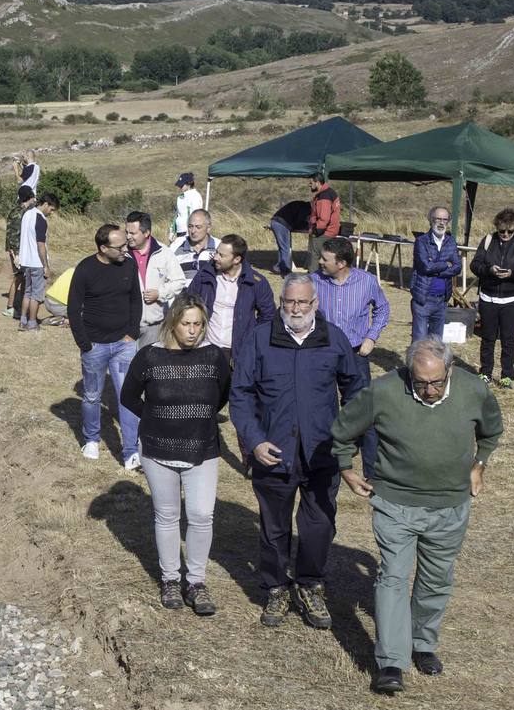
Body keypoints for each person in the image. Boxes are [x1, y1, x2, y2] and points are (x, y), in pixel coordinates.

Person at [331, 338, 503, 694]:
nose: (428, 389)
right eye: (420, 381)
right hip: (396, 503)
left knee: (436, 579)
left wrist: (479, 465)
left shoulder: (474, 389)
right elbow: (343, 431)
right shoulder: (384, 390)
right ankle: (391, 662)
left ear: (450, 370)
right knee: (392, 578)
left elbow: (490, 431)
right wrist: (347, 469)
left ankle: (422, 643)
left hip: (450, 505)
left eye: (436, 382)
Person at [231, 273, 365, 629]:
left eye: (303, 303)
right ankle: (276, 587)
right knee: (274, 527)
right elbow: (240, 394)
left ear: (315, 304)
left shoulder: (333, 339)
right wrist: (254, 440)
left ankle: (309, 584)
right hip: (273, 451)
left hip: (322, 453)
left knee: (318, 526)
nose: (295, 309)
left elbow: (355, 391)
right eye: (289, 302)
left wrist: (346, 439)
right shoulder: (260, 339)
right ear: (280, 301)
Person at [121, 295, 232, 615]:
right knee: (167, 516)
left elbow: (221, 396)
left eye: (198, 324)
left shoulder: (214, 357)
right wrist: (154, 418)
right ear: (172, 323)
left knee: (200, 515)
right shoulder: (149, 357)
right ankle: (170, 579)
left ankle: (196, 581)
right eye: (186, 323)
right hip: (157, 450)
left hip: (203, 449)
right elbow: (128, 395)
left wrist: (199, 417)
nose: (193, 330)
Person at [67, 225, 143, 471]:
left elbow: (135, 300)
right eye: (120, 246)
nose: (126, 249)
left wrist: (132, 333)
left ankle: (131, 451)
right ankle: (91, 439)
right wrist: (84, 343)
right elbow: (73, 308)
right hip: (95, 347)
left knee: (127, 396)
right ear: (103, 248)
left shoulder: (129, 265)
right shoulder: (85, 269)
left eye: (126, 244)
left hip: (124, 345)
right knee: (91, 395)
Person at [314, 235, 390, 479]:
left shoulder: (366, 282)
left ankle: (372, 473)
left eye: (325, 259)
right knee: (323, 409)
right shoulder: (313, 281)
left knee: (363, 412)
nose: (320, 262)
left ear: (342, 263)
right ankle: (327, 464)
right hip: (322, 355)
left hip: (356, 353)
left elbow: (383, 308)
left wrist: (371, 337)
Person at [470, 208, 514, 388]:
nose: (506, 234)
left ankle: (507, 375)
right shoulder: (487, 240)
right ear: (497, 227)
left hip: (513, 299)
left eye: (510, 231)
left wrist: (512, 273)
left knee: (508, 338)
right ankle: (485, 372)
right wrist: (489, 270)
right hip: (488, 297)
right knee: (488, 337)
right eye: (502, 231)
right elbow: (475, 265)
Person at [187, 234, 275, 362]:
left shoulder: (256, 282)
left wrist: (252, 339)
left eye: (222, 255)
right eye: (216, 252)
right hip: (206, 348)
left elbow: (269, 316)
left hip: (239, 354)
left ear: (236, 259)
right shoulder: (205, 276)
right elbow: (187, 303)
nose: (216, 257)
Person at [124, 210, 186, 348]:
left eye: (132, 233)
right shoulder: (121, 253)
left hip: (153, 328)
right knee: (125, 369)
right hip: (125, 327)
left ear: (146, 233)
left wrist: (160, 293)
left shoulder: (164, 252)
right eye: (126, 232)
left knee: (149, 367)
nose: (128, 237)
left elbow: (179, 281)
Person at [410, 206, 463, 341]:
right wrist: (446, 264)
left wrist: (436, 268)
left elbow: (457, 267)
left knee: (436, 342)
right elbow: (426, 267)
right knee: (419, 341)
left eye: (445, 220)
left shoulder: (451, 242)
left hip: (442, 300)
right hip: (423, 299)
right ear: (430, 220)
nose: (441, 223)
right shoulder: (421, 241)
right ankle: (415, 363)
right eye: (438, 219)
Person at [18, 193, 58, 331]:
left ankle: (22, 321)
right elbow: (40, 244)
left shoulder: (26, 214)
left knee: (27, 293)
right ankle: (33, 322)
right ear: (46, 204)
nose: (51, 213)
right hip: (36, 263)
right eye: (51, 209)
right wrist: (46, 265)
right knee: (36, 295)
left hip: (25, 261)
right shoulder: (40, 219)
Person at [4, 186, 36, 318]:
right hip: (17, 250)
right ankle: (10, 307)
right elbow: (14, 234)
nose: (34, 199)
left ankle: (18, 305)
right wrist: (15, 253)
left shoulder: (19, 210)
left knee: (22, 278)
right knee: (18, 277)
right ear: (29, 197)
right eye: (33, 197)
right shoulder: (19, 213)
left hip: (19, 250)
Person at [169, 209, 220, 284]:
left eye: (198, 227)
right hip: (183, 294)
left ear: (208, 228)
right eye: (190, 226)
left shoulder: (219, 246)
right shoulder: (175, 246)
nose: (193, 231)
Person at [306, 175, 341, 271]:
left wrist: (315, 231)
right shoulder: (330, 192)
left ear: (317, 182)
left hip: (323, 233)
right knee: (326, 258)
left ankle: (313, 280)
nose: (309, 185)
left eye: (311, 182)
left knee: (315, 257)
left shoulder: (324, 196)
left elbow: (323, 219)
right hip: (330, 231)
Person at [268, 199, 311, 276]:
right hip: (281, 224)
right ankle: (285, 270)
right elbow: (300, 220)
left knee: (282, 248)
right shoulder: (306, 208)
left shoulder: (300, 204)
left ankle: (278, 267)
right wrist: (307, 227)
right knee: (285, 248)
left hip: (276, 221)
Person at [172, 173, 204, 241]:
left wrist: (190, 232)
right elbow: (177, 215)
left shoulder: (195, 196)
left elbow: (196, 216)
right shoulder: (180, 197)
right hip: (179, 231)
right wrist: (172, 231)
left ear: (188, 184)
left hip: (188, 232)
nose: (180, 187)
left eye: (182, 185)